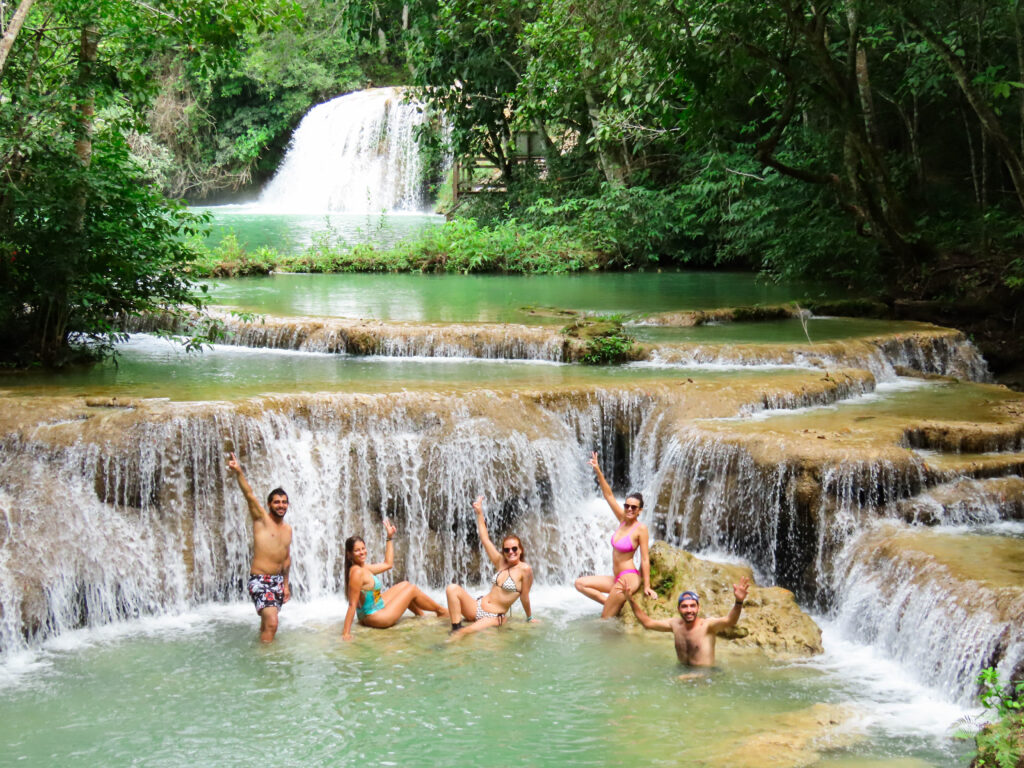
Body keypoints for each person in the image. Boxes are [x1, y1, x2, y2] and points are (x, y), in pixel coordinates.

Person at [574, 452, 657, 618]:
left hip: (629, 578)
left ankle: (613, 606)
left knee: (604, 620)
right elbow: (609, 495)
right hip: (616, 577)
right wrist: (598, 470)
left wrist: (647, 586)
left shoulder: (641, 529)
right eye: (627, 506)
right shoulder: (622, 520)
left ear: (640, 511)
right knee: (580, 583)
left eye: (634, 507)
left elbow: (645, 559)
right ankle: (613, 604)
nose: (629, 510)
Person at [446, 495, 535, 640]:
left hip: (494, 616)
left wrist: (529, 617)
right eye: (507, 550)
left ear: (520, 550)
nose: (510, 552)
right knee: (452, 589)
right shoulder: (501, 562)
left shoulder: (525, 570)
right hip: (477, 607)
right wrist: (479, 513)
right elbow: (485, 539)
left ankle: (447, 644)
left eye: (514, 549)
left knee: (464, 634)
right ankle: (456, 627)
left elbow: (525, 597)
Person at [342, 518, 448, 640]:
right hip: (376, 617)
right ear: (349, 554)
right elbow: (352, 604)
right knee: (411, 590)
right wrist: (346, 633)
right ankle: (440, 611)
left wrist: (389, 537)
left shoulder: (363, 567)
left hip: (376, 607)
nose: (362, 552)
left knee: (405, 585)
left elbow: (388, 564)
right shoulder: (357, 572)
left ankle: (421, 615)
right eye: (357, 550)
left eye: (363, 548)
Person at [227, 452, 292, 643]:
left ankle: (261, 648)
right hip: (261, 580)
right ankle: (267, 663)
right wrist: (238, 472)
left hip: (278, 581)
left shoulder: (288, 529)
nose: (281, 505)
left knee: (267, 624)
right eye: (277, 502)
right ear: (269, 504)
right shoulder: (261, 519)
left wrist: (286, 585)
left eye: (284, 502)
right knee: (272, 622)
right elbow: (249, 495)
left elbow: (286, 558)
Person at [627, 577, 751, 668]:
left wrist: (739, 602)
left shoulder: (707, 626)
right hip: (683, 671)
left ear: (698, 608)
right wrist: (630, 600)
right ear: (678, 609)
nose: (689, 610)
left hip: (705, 675)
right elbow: (647, 623)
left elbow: (730, 620)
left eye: (692, 606)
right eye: (684, 606)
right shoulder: (675, 625)